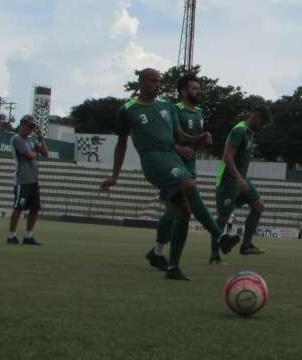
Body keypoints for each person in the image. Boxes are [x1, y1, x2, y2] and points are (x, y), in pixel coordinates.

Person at [100, 68, 236, 281]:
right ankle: (219, 237)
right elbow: (121, 144)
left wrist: (199, 138)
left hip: (171, 158)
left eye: (160, 81)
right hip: (153, 161)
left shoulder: (166, 107)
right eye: (154, 81)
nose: (158, 85)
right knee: (190, 186)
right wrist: (115, 176)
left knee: (183, 213)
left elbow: (179, 136)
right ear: (142, 82)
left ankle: (172, 267)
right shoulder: (127, 110)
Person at [171, 73, 240, 265]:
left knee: (176, 211)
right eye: (194, 88)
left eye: (199, 88)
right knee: (184, 207)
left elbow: (193, 143)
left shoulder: (199, 112)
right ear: (183, 91)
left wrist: (203, 141)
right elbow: (166, 138)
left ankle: (159, 251)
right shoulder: (174, 110)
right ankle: (220, 237)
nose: (198, 91)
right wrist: (178, 148)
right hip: (174, 166)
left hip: (191, 166)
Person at [214, 104, 272, 256]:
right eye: (263, 122)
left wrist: (242, 178)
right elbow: (227, 156)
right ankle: (215, 254)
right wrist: (239, 178)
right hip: (229, 180)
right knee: (223, 217)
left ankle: (246, 245)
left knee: (258, 206)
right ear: (255, 115)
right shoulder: (239, 131)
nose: (263, 126)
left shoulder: (250, 134)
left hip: (241, 179)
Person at [7, 115, 48, 245]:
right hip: (22, 179)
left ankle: (28, 235)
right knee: (19, 207)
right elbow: (30, 156)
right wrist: (36, 153)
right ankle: (11, 235)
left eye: (32, 127)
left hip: (33, 179)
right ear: (22, 124)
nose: (30, 129)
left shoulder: (31, 140)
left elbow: (46, 153)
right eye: (29, 126)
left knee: (35, 208)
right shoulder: (17, 139)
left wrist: (41, 137)